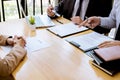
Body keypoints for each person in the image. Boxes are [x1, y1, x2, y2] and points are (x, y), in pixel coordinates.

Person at [47, 0, 112, 34]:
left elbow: (107, 27)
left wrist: (85, 24)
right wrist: (52, 13)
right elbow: (58, 8)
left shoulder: (104, 1)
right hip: (66, 33)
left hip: (87, 37)